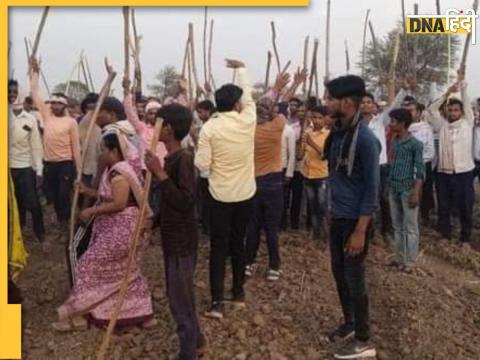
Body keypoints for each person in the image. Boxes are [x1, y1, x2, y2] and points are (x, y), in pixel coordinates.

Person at [54, 132, 154, 332]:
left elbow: (119, 203)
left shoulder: (120, 173)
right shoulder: (116, 171)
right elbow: (107, 196)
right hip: (119, 229)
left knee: (89, 265)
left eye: (104, 150)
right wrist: (86, 191)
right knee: (124, 270)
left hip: (123, 230)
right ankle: (137, 314)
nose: (101, 154)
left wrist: (92, 209)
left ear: (114, 151)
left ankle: (84, 309)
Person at [195, 59, 256, 319]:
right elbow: (250, 97)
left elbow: (202, 164)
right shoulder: (248, 121)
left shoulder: (209, 127)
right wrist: (241, 69)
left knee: (218, 248)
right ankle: (239, 292)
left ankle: (217, 302)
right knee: (238, 243)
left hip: (219, 196)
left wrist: (212, 174)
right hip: (245, 194)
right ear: (236, 104)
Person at [145, 104, 207, 360]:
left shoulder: (183, 160)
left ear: (168, 129)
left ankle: (188, 353)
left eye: (158, 124)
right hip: (173, 237)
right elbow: (171, 204)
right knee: (181, 295)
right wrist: (155, 221)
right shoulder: (172, 159)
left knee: (179, 300)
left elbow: (185, 201)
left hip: (181, 241)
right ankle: (198, 341)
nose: (153, 129)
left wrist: (159, 174)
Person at [324, 75, 378, 359]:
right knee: (339, 274)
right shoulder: (339, 132)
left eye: (330, 98)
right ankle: (350, 323)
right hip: (337, 216)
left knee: (355, 279)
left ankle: (365, 339)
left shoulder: (367, 140)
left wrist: (360, 230)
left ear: (345, 102)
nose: (326, 103)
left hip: (355, 222)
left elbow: (372, 189)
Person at [29, 58, 81, 242]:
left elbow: (76, 147)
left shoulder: (71, 122)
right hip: (49, 163)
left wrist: (79, 170)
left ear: (65, 106)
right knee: (50, 195)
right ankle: (61, 221)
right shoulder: (47, 115)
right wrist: (35, 72)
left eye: (59, 104)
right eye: (54, 104)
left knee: (62, 195)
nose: (56, 106)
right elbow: (35, 93)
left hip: (65, 164)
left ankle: (65, 227)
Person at [427, 66, 475, 245]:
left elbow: (466, 100)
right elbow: (432, 109)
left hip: (464, 173)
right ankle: (445, 235)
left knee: (465, 207)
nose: (453, 113)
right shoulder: (442, 125)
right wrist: (448, 92)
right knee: (444, 207)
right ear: (447, 111)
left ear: (461, 112)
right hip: (444, 173)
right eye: (450, 110)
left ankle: (465, 238)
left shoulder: (467, 122)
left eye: (456, 110)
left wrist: (461, 83)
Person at [245, 97, 285, 281]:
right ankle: (274, 266)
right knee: (271, 228)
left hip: (254, 182)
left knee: (253, 226)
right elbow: (282, 107)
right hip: (274, 183)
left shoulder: (249, 131)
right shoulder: (277, 126)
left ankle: (249, 262)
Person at [8, 80, 46, 249]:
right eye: (8, 91)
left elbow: (36, 146)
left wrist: (39, 171)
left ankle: (41, 235)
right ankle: (17, 232)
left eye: (14, 91)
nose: (11, 94)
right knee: (13, 203)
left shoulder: (30, 119)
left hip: (25, 167)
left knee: (32, 202)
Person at [388, 109, 425, 272]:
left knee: (410, 227)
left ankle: (410, 262)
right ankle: (400, 258)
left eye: (393, 121)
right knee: (397, 226)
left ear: (402, 123)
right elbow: (393, 163)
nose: (391, 124)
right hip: (394, 187)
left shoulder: (415, 144)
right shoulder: (394, 140)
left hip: (408, 189)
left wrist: (416, 192)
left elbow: (420, 169)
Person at [402, 97, 435, 224]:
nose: (409, 113)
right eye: (406, 111)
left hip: (422, 164)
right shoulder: (402, 127)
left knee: (423, 191)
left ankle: (423, 216)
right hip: (405, 165)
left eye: (411, 110)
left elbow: (429, 150)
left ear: (418, 112)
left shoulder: (426, 128)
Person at [300, 105, 330, 241]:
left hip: (322, 176)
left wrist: (311, 143)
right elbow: (300, 155)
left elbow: (325, 155)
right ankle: (315, 232)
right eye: (314, 117)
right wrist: (300, 144)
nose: (316, 121)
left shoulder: (328, 134)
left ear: (325, 120)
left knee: (322, 206)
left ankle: (325, 233)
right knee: (312, 206)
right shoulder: (307, 133)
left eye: (320, 118)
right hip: (308, 175)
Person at [195, 100, 216, 235]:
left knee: (208, 201)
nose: (198, 115)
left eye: (200, 112)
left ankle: (208, 227)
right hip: (207, 171)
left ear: (208, 111)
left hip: (208, 172)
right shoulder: (207, 125)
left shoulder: (209, 127)